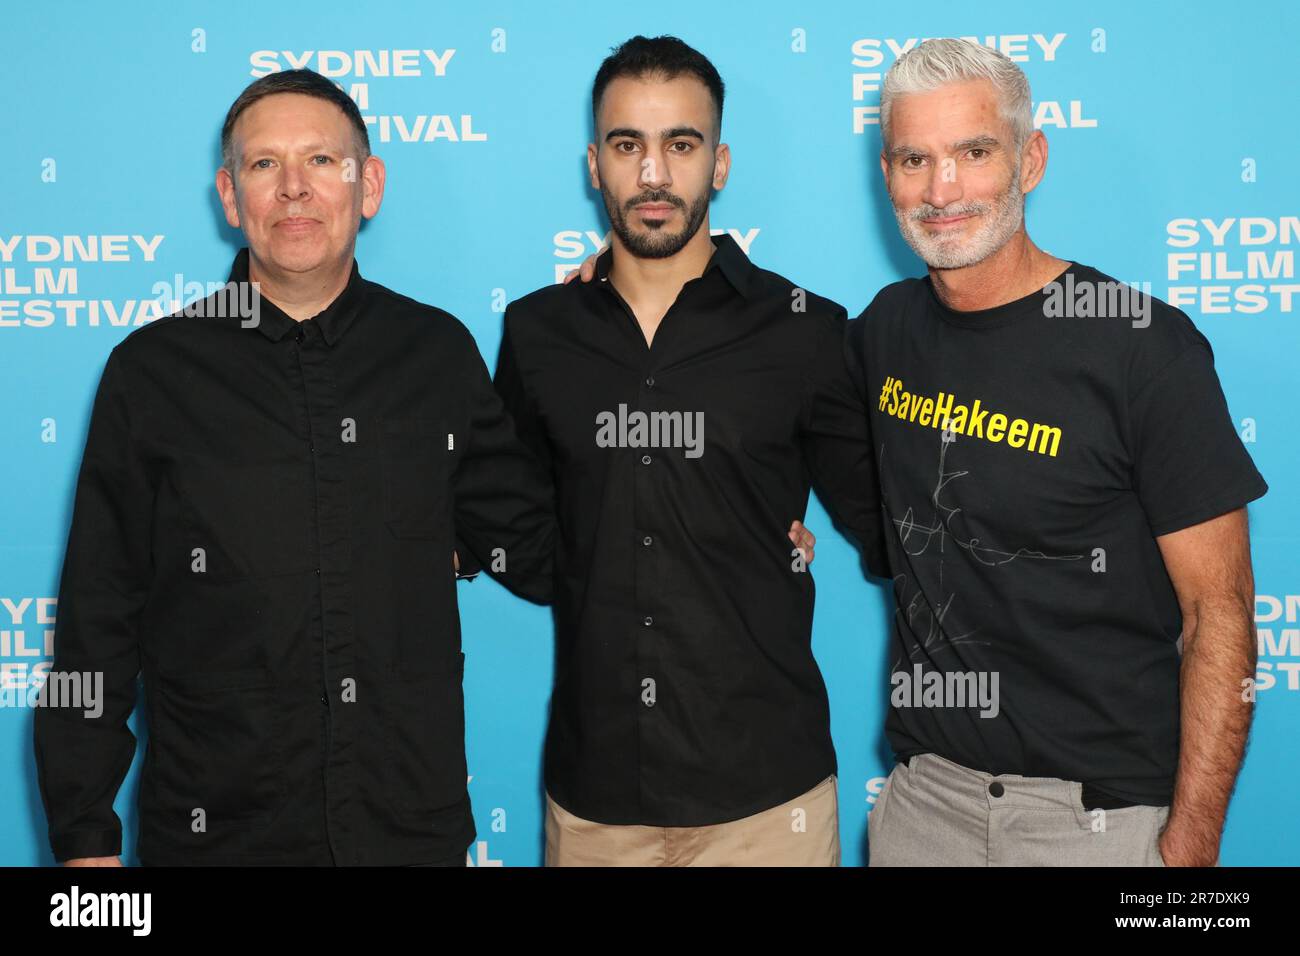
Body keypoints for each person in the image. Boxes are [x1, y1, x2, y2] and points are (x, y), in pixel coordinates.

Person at [33, 68, 555, 866]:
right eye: (263, 164)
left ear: (368, 186)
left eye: (321, 160)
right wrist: (84, 840)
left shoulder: (437, 356)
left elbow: (538, 549)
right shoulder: (152, 374)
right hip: (217, 836)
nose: (293, 188)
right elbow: (96, 621)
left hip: (405, 833)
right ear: (230, 195)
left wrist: (605, 321)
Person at [847, 38, 1266, 866]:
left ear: (1030, 159)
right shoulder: (884, 330)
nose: (941, 190)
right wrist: (619, 284)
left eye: (974, 153)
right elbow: (759, 379)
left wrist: (1191, 844)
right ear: (886, 174)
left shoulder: (1142, 349)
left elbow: (1220, 611)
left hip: (1098, 823)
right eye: (914, 159)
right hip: (924, 808)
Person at [494, 35, 886, 866]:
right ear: (594, 165)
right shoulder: (536, 332)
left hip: (768, 801)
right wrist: (596, 555)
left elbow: (894, 524)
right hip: (596, 801)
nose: (653, 174)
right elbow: (510, 518)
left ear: (721, 162)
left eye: (681, 144)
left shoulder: (806, 331)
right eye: (626, 145)